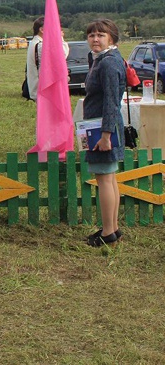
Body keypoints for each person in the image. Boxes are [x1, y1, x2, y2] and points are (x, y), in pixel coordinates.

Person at [83, 19, 125, 247]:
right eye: (91, 35)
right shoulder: (105, 59)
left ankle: (108, 232)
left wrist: (106, 135)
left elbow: (110, 101)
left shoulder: (108, 63)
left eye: (101, 35)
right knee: (109, 178)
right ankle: (113, 228)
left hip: (103, 127)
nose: (95, 39)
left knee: (105, 180)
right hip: (102, 125)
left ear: (112, 38)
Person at [26, 17, 70, 101]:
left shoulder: (34, 43)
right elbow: (62, 54)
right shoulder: (41, 45)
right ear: (42, 30)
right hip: (44, 91)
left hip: (39, 89)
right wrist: (59, 37)